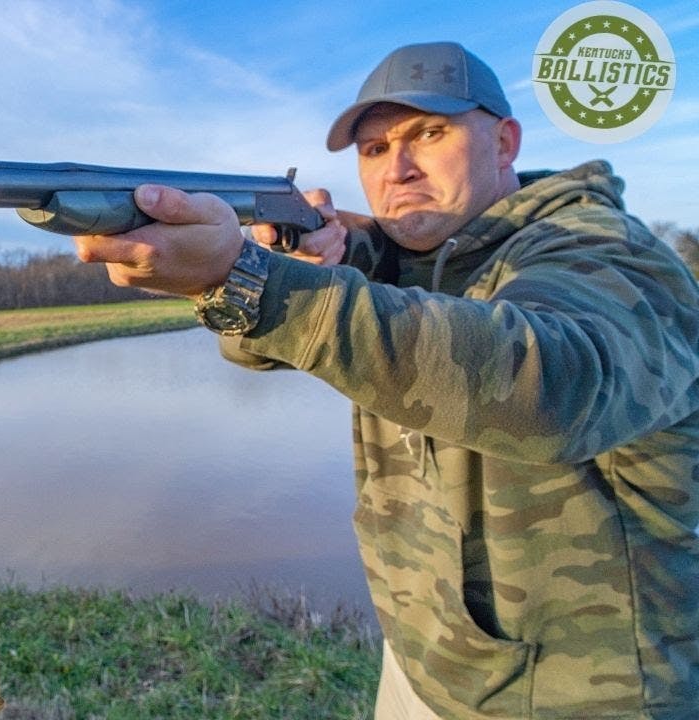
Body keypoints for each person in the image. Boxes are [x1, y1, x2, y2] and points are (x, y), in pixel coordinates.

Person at [73, 41, 699, 719]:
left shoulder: (608, 250)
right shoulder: (402, 259)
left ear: (505, 142)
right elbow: (251, 356)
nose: (397, 168)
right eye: (373, 150)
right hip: (421, 666)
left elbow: (554, 388)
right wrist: (300, 255)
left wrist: (246, 278)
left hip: (586, 699)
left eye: (429, 134)